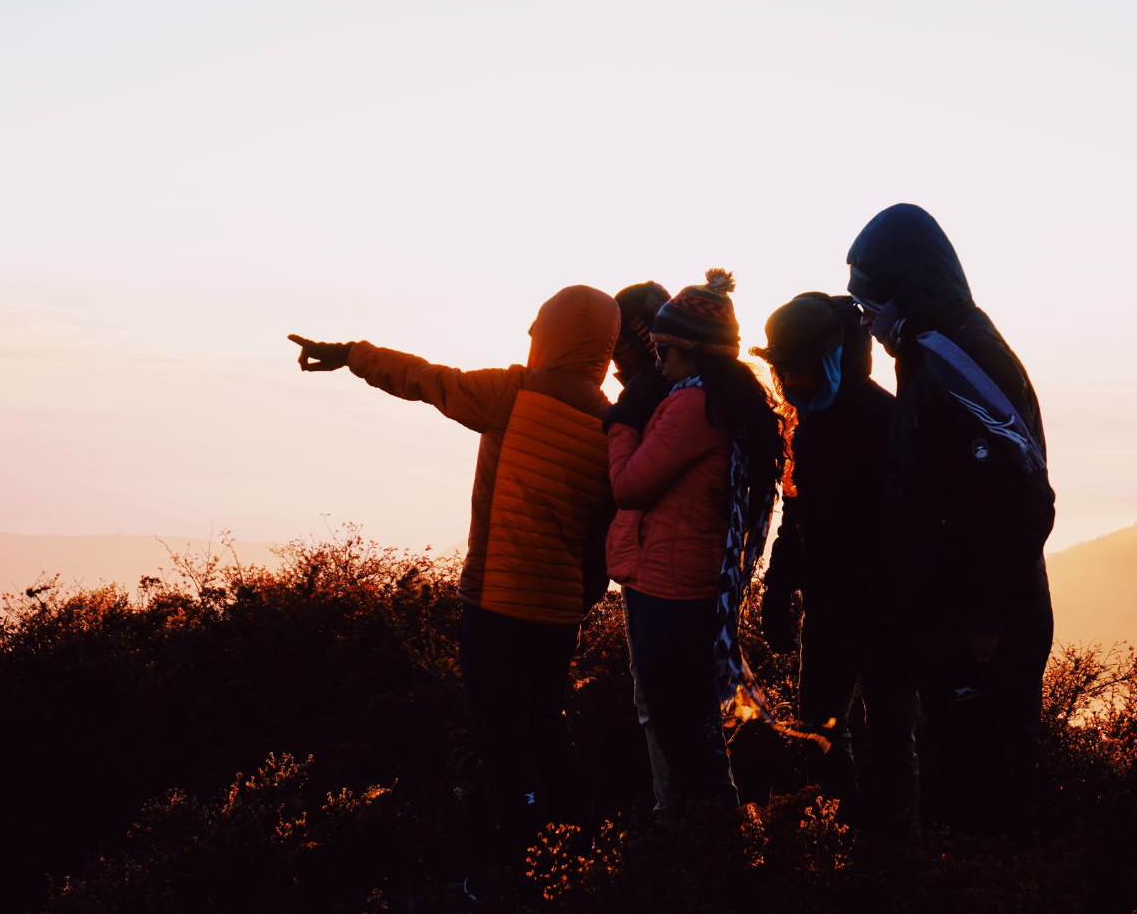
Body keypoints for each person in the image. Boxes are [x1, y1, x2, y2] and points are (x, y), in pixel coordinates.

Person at [286, 285, 620, 870]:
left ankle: (524, 865)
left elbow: (427, 380)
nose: (528, 334)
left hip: (498, 604)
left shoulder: (513, 393)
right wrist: (580, 597)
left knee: (503, 736)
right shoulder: (613, 424)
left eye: (538, 324)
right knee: (546, 723)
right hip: (560, 611)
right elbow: (603, 533)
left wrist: (352, 354)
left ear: (555, 334)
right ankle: (574, 855)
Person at [845, 204, 1055, 842]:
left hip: (981, 628)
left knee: (990, 799)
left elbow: (1022, 494)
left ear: (903, 287)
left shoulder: (954, 355)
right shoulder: (929, 352)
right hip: (955, 622)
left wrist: (984, 623)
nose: (868, 321)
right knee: (963, 793)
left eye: (871, 302)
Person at [602, 269, 785, 817]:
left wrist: (622, 426)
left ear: (689, 349)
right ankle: (707, 843)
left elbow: (628, 485)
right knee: (693, 722)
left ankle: (707, 845)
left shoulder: (690, 406)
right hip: (699, 581)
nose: (656, 360)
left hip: (669, 588)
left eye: (663, 348)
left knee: (680, 725)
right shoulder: (726, 399)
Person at [753, 292, 919, 838]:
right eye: (784, 372)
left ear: (831, 356)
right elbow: (797, 509)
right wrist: (778, 591)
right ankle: (846, 852)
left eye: (799, 371)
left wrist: (905, 618)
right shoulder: (807, 422)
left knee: (891, 742)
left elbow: (912, 529)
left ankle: (894, 863)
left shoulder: (887, 420)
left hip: (888, 618)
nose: (791, 383)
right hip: (829, 614)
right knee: (821, 736)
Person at [608, 279, 675, 822]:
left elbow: (626, 486)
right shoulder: (698, 389)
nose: (612, 364)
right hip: (693, 573)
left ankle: (679, 822)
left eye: (619, 349)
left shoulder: (648, 397)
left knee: (660, 704)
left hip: (659, 574)